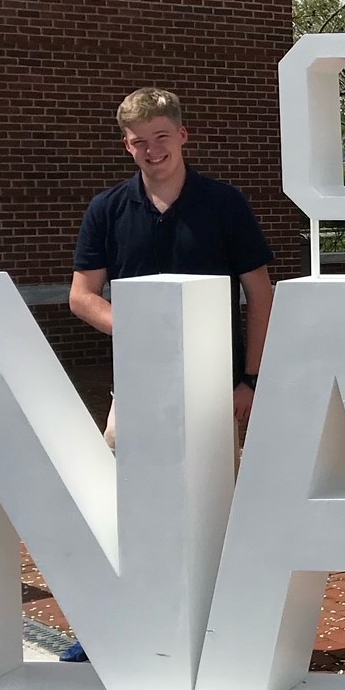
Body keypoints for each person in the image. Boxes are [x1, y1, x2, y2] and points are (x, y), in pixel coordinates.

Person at [62, 87, 275, 659]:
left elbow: (260, 292)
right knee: (117, 499)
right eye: (139, 141)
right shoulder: (108, 209)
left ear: (183, 135)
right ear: (126, 145)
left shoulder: (224, 204)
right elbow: (83, 297)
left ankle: (216, 629)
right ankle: (109, 618)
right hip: (135, 385)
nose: (152, 150)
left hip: (215, 386)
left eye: (162, 137)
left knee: (215, 507)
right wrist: (141, 330)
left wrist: (250, 380)